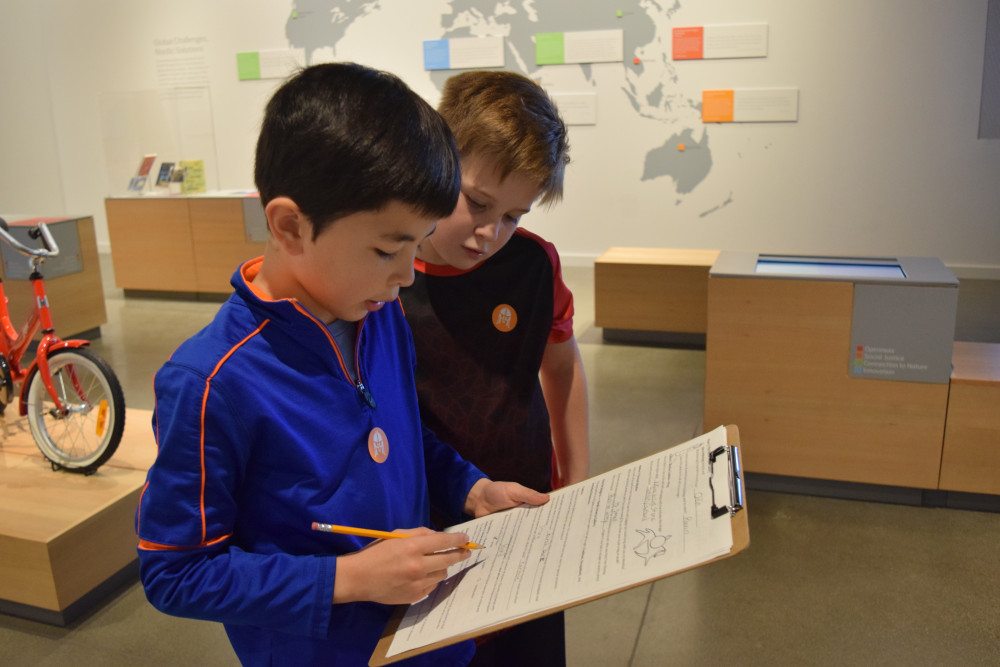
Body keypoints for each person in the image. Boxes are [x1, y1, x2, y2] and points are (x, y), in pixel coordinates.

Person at [135, 63, 548, 667]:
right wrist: (348, 579)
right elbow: (176, 573)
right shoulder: (210, 382)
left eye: (417, 244)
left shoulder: (380, 313)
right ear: (290, 226)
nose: (406, 275)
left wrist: (470, 488)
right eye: (386, 249)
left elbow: (404, 435)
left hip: (427, 638)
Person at [399, 70, 588, 666]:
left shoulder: (534, 265)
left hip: (526, 493)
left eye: (514, 216)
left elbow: (562, 365)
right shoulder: (385, 275)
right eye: (477, 203)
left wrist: (577, 476)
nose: (489, 232)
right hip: (430, 509)